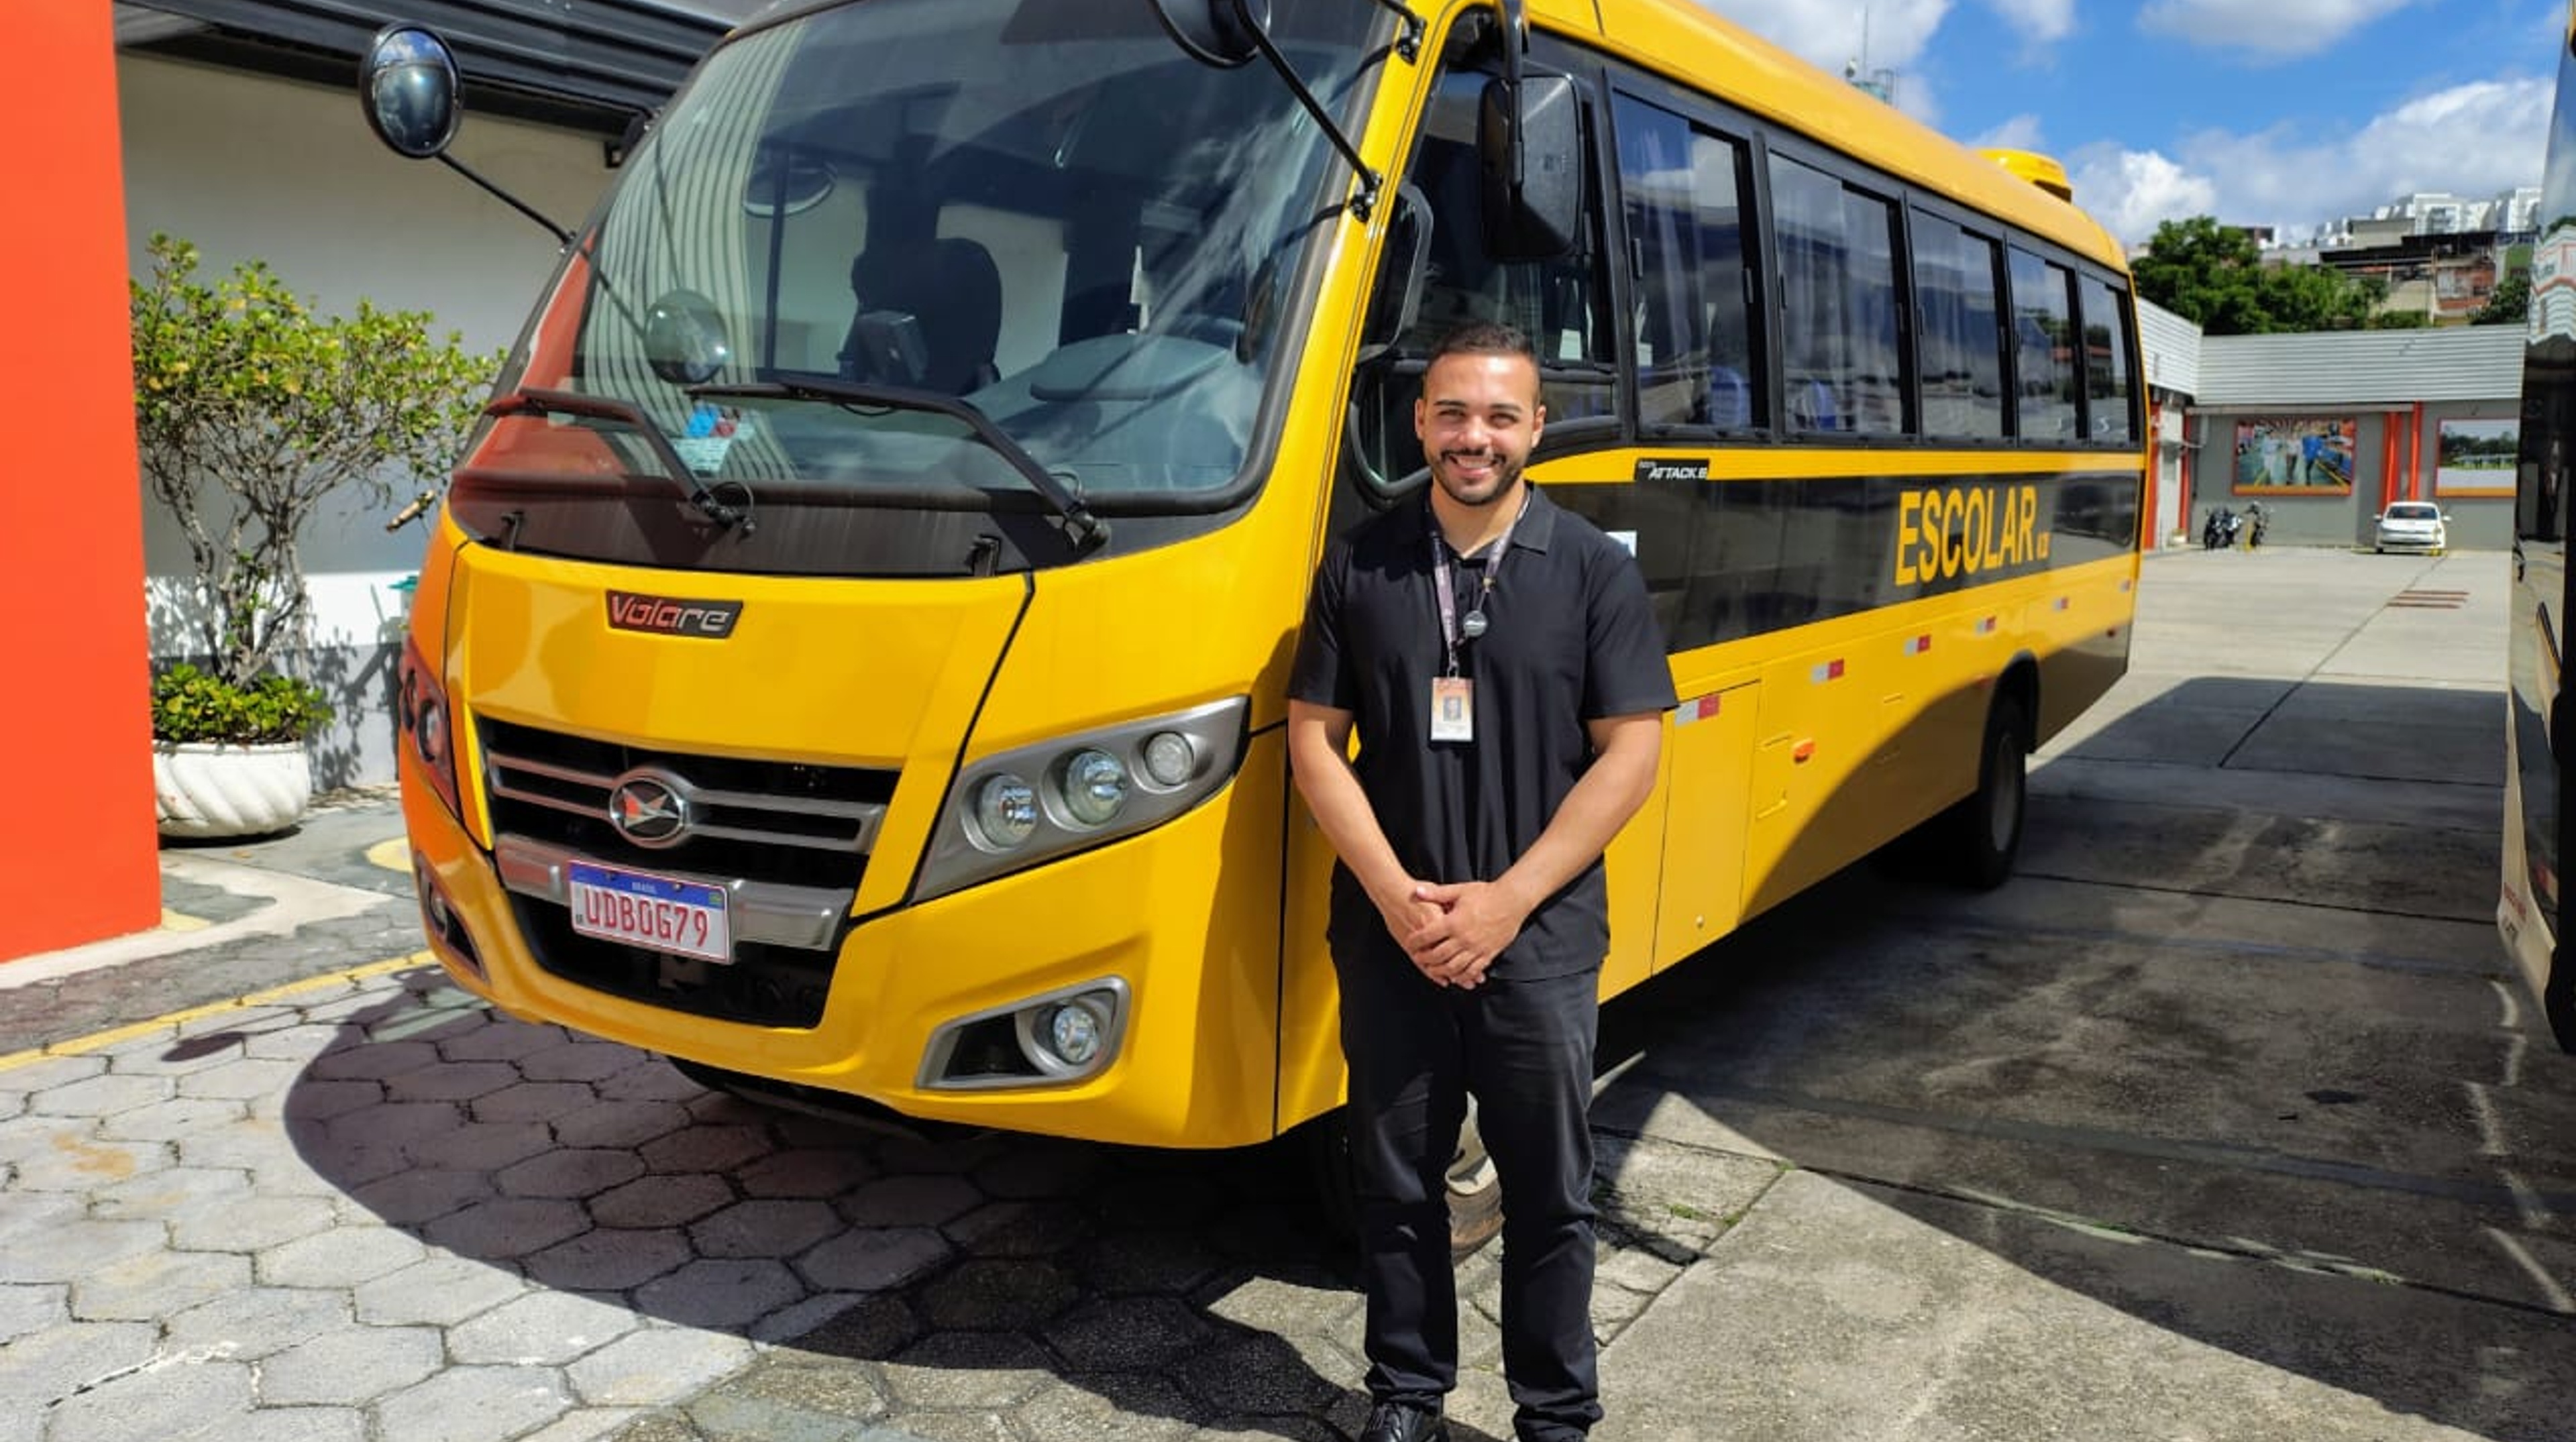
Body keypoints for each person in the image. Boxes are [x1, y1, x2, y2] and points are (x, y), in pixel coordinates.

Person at [1286, 321, 1675, 1442]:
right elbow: (1315, 742)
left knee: (1550, 1191)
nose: (1475, 436)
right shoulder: (1364, 562)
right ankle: (1406, 1395)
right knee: (1398, 1183)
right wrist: (1398, 894)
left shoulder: (1594, 570)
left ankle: (1555, 1413)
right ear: (1418, 422)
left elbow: (1633, 752)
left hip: (1539, 943)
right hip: (1391, 936)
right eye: (1453, 412)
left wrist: (1506, 899)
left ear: (1536, 429)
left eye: (1501, 415)